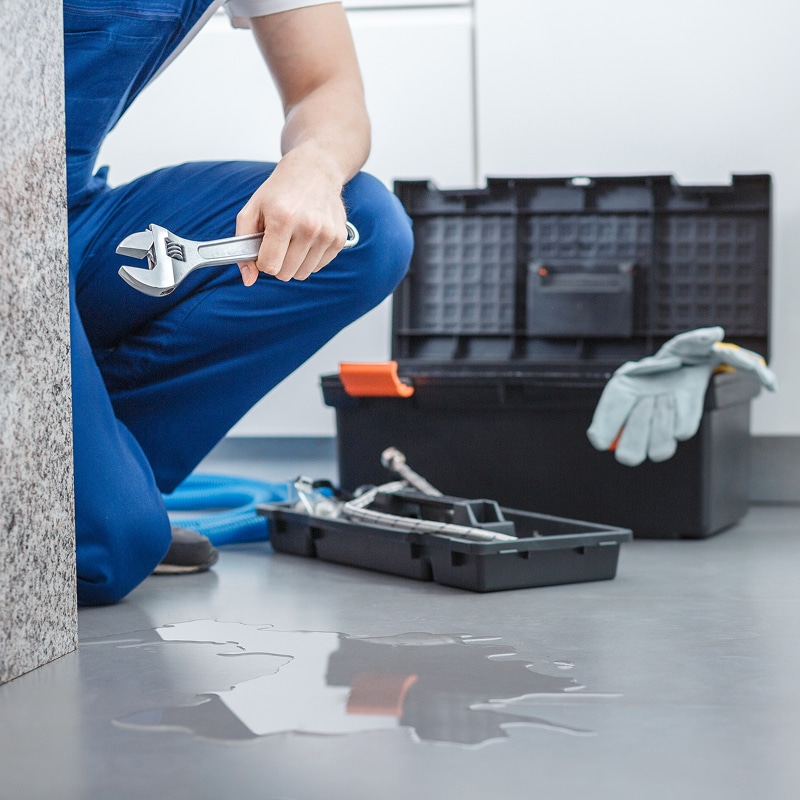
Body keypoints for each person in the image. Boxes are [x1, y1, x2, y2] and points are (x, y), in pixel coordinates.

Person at [65, 0, 414, 605]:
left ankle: (98, 490)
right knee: (109, 552)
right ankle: (96, 508)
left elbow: (325, 84)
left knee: (366, 228)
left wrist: (315, 162)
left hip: (65, 216)